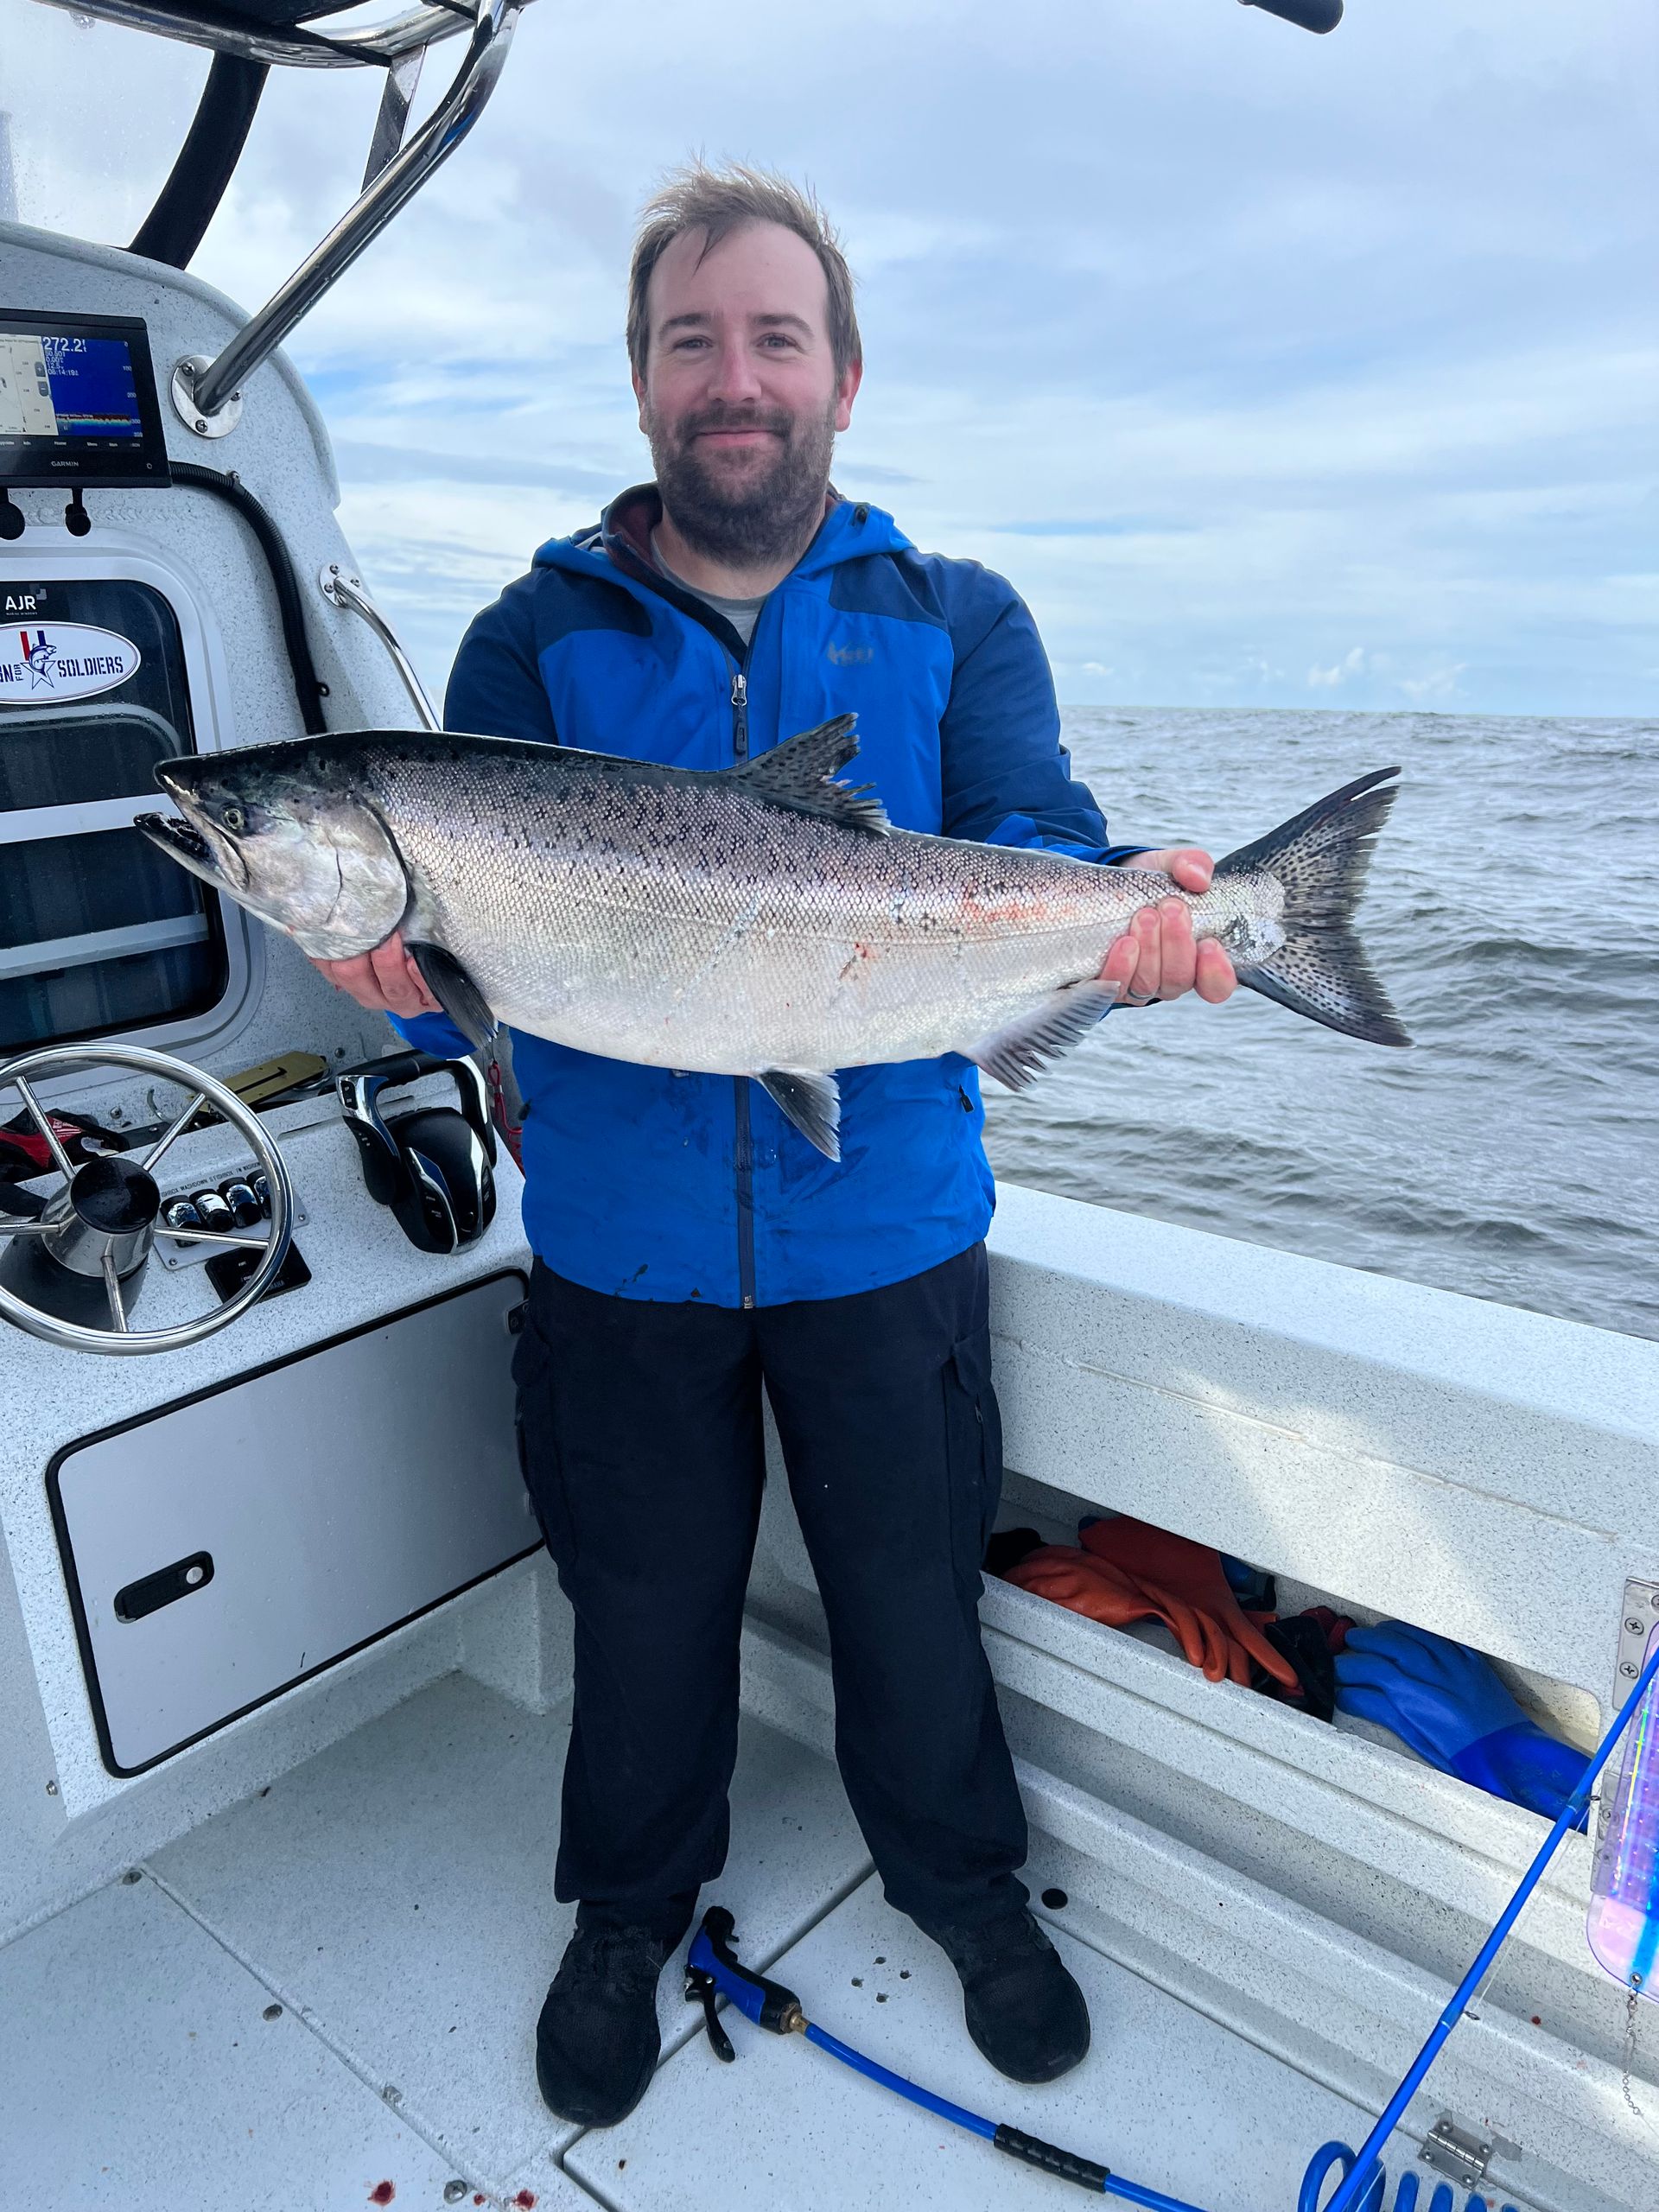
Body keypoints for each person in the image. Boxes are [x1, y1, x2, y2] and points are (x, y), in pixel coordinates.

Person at [313, 162, 1236, 2129]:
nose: (736, 377)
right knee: (643, 1616)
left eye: (774, 337)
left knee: (913, 1595)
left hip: (885, 1228)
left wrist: (1130, 921)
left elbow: (1044, 847)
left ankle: (963, 1886)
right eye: (691, 339)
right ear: (642, 378)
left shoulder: (955, 614)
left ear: (843, 372)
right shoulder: (524, 643)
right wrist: (391, 973)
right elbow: (461, 990)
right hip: (625, 1258)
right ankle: (629, 1914)